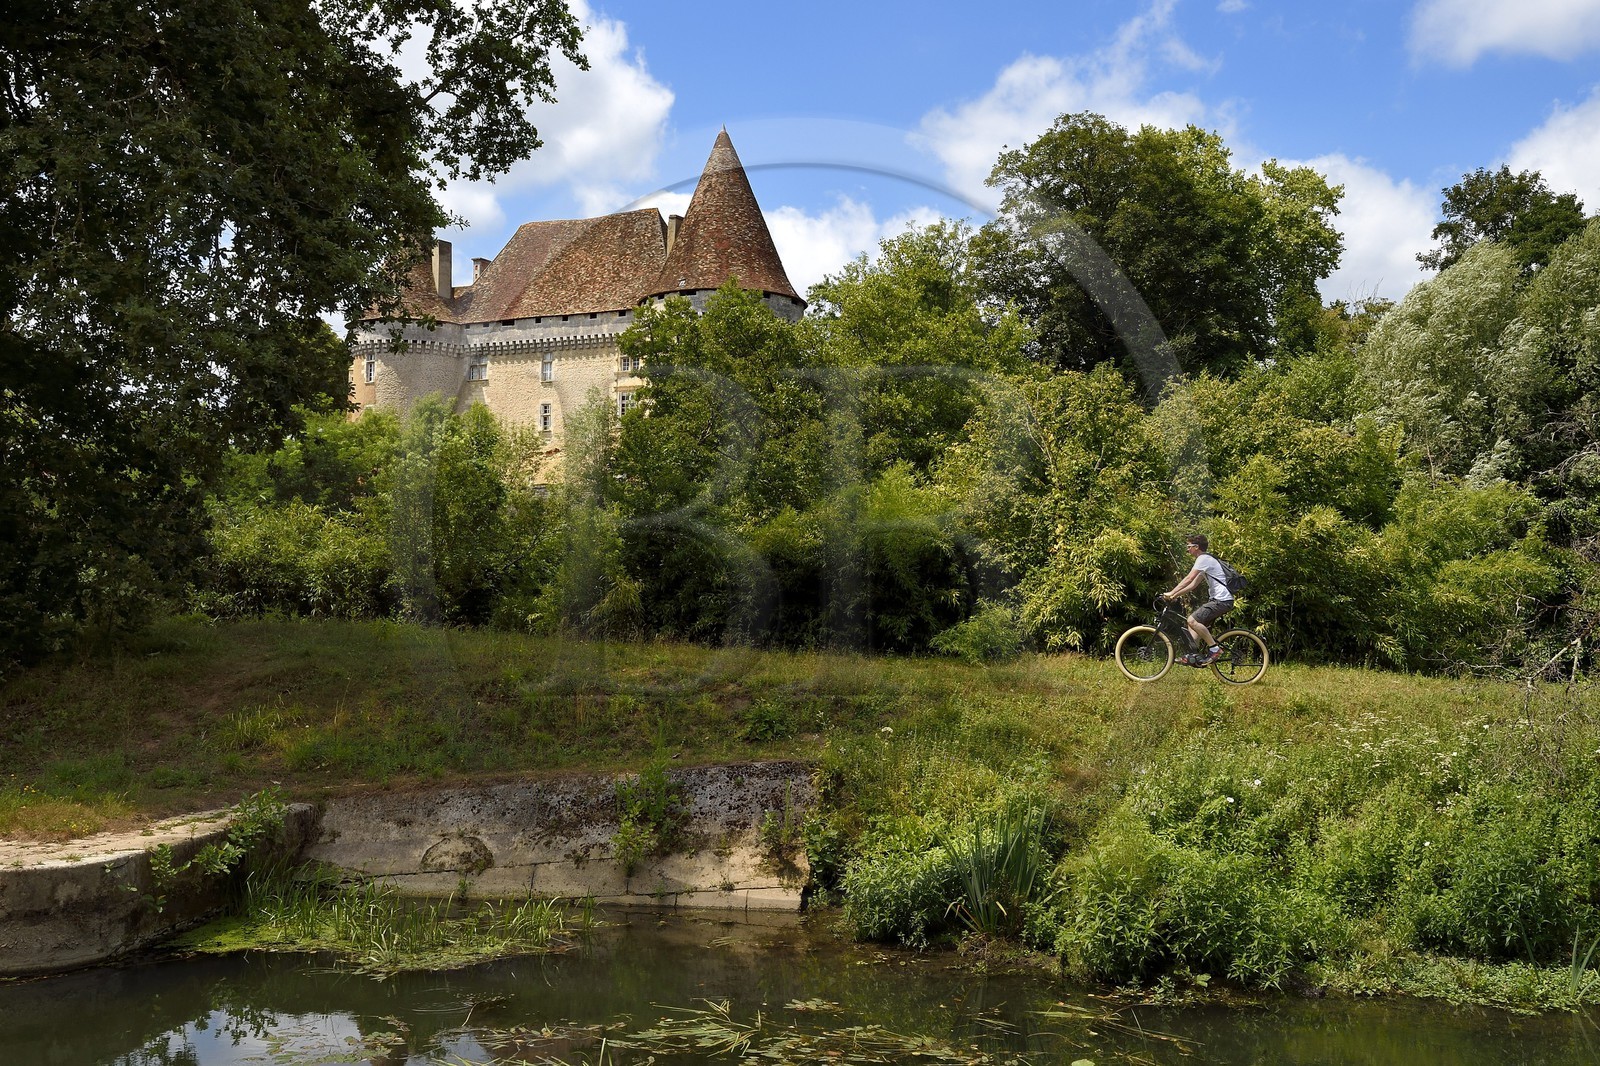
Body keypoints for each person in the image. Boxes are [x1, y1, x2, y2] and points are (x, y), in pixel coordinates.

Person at [1161, 533, 1232, 666]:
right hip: (1220, 600)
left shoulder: (1203, 559)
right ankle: (1192, 655)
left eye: (1189, 546)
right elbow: (1193, 585)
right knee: (1192, 624)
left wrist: (1171, 592)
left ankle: (1215, 649)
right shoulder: (1205, 560)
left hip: (1222, 600)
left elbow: (1188, 578)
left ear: (1196, 547)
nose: (1187, 549)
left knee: (1192, 620)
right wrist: (1174, 596)